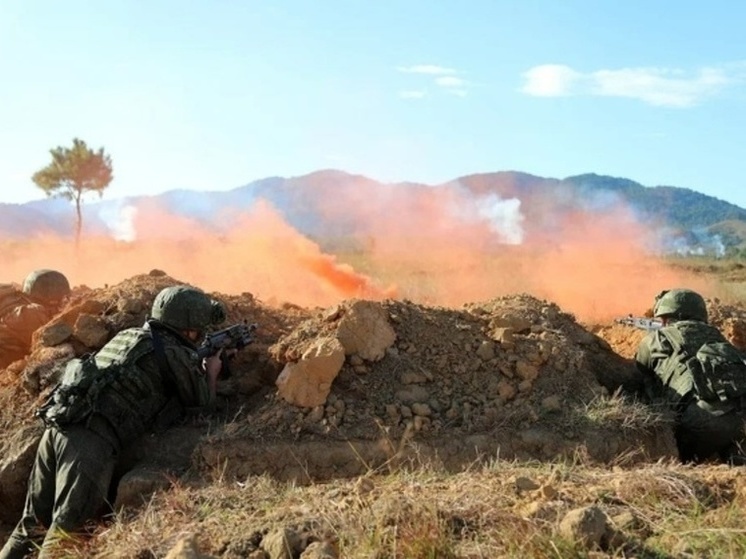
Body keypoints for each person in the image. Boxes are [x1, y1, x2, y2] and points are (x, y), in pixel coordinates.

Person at [0, 284, 227, 558]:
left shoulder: (128, 336)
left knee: (30, 526)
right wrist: (212, 371)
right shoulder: (174, 352)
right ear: (190, 327)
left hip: (59, 427)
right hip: (88, 445)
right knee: (66, 535)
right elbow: (202, 404)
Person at [635, 288, 746, 464]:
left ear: (664, 316)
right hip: (740, 419)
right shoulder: (717, 337)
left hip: (701, 423)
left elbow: (639, 370)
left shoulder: (657, 337)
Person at [0, 269, 71, 369]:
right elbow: (51, 339)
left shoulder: (18, 299)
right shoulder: (32, 313)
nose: (61, 306)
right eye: (60, 301)